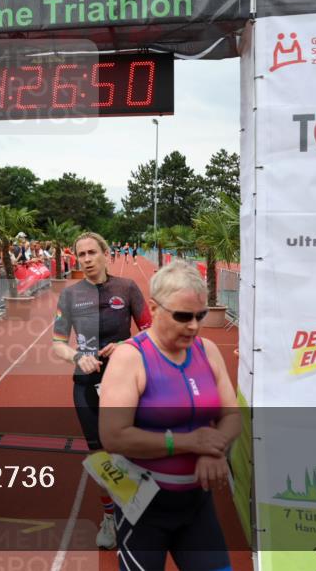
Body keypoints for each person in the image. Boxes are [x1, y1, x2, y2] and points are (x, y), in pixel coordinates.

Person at [99, 260, 240, 571]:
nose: (193, 326)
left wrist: (216, 449)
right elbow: (113, 435)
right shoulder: (130, 357)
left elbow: (232, 415)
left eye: (200, 316)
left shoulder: (208, 350)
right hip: (143, 505)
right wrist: (191, 443)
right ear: (154, 308)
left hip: (196, 504)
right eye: (182, 316)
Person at [52, 232, 152, 549]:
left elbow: (150, 333)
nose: (86, 259)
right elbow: (57, 344)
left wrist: (124, 345)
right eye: (81, 254)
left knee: (130, 449)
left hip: (125, 381)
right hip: (86, 385)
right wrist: (78, 357)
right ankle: (109, 516)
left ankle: (138, 511)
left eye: (92, 252)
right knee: (100, 455)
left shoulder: (127, 288)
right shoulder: (69, 295)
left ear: (106, 254)